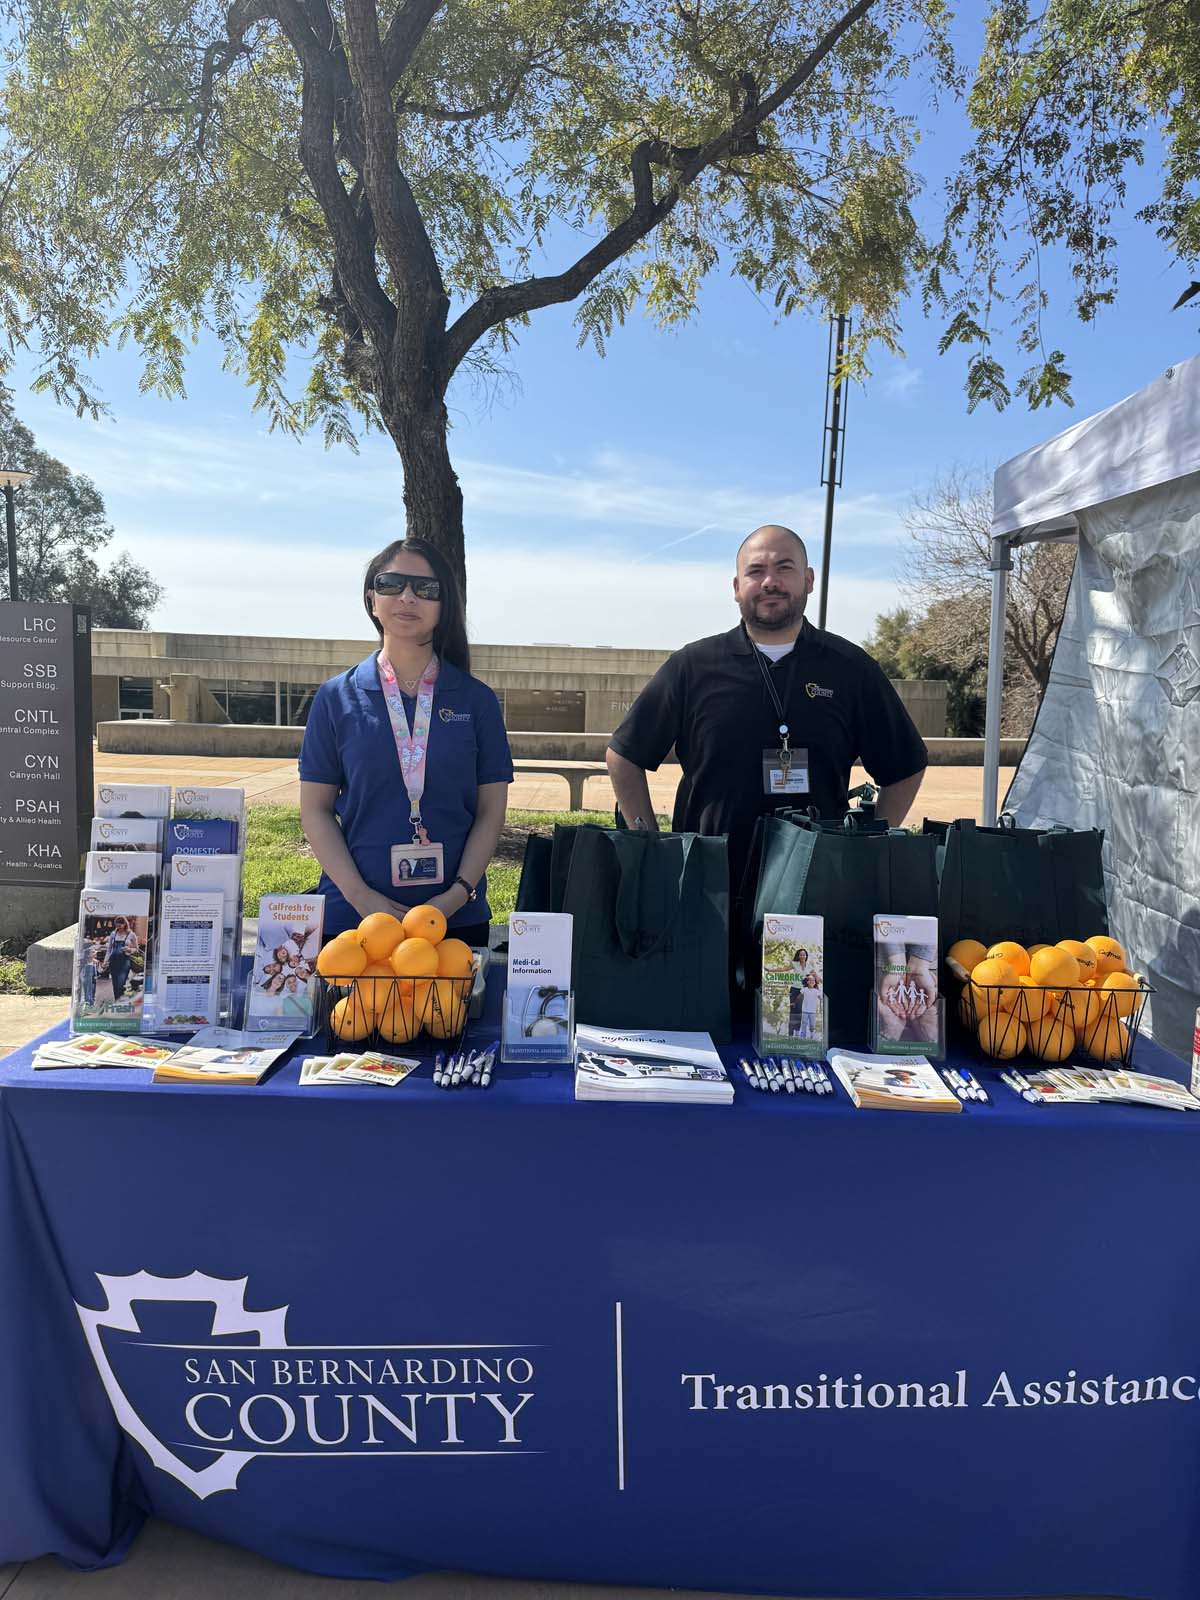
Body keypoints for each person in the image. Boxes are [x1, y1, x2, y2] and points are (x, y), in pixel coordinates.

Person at [606, 525, 928, 891]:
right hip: (707, 886)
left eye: (784, 568)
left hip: (814, 884)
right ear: (736, 587)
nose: (770, 581)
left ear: (808, 580)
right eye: (755, 571)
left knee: (802, 953)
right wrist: (649, 845)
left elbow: (905, 765)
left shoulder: (851, 669)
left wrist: (866, 848)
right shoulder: (693, 666)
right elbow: (624, 756)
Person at [299, 537, 514, 944]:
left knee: (447, 1013)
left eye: (425, 588)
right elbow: (316, 810)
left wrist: (455, 896)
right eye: (392, 584)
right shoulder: (336, 698)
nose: (408, 597)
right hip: (353, 918)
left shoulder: (477, 700)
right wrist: (362, 897)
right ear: (371, 598)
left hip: (454, 921)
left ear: (444, 603)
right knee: (353, 1013)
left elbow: (491, 812)